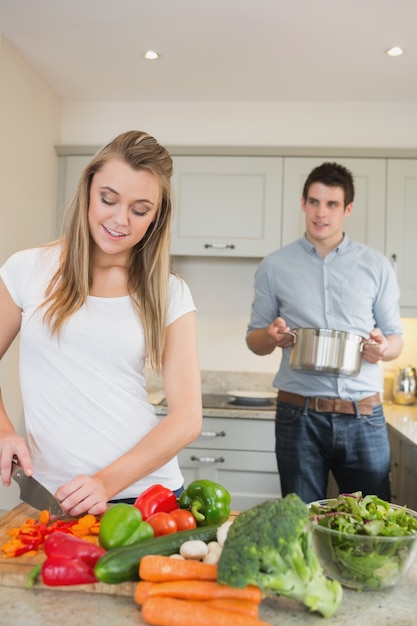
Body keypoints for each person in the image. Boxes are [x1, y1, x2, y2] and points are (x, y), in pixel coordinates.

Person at [0, 130, 202, 516]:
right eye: (108, 199)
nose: (119, 219)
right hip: (55, 494)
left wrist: (106, 482)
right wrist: (4, 430)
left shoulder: (170, 292)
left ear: (156, 217)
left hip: (147, 494)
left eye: (140, 210)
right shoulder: (28, 269)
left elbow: (188, 418)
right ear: (88, 190)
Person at [246, 162, 403, 504]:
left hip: (364, 415)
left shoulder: (377, 266)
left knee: (370, 523)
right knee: (302, 523)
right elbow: (254, 340)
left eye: (331, 204)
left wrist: (382, 348)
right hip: (297, 414)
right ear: (303, 203)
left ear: (347, 209)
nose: (321, 213)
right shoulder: (275, 266)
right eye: (314, 202)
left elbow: (395, 339)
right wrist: (271, 336)